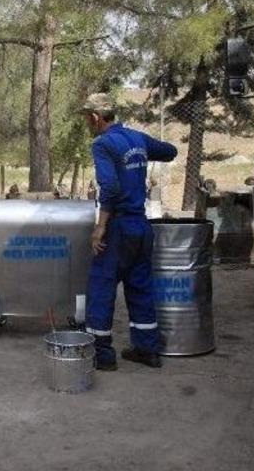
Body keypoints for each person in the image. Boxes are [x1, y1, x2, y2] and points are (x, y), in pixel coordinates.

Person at [80, 93, 177, 371]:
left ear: (97, 118)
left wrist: (100, 228)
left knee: (101, 285)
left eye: (88, 117)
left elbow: (109, 188)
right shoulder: (136, 139)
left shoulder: (102, 144)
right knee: (140, 285)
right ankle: (148, 350)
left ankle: (102, 354)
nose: (88, 122)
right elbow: (170, 151)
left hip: (118, 227)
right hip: (141, 226)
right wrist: (141, 151)